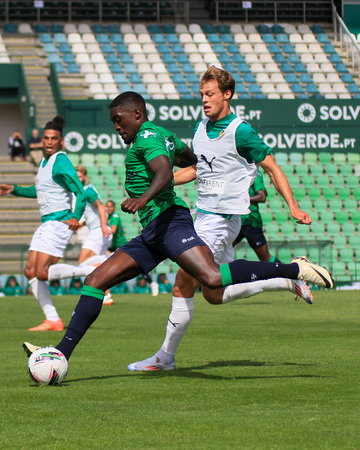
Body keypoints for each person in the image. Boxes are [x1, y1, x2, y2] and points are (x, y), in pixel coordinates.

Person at [23, 92, 333, 366]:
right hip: (152, 232)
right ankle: (60, 354)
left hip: (170, 222)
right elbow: (188, 158)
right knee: (95, 280)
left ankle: (293, 270)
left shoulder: (145, 137)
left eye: (119, 120)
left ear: (136, 114)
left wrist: (143, 198)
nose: (116, 126)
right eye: (112, 121)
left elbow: (163, 170)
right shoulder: (162, 134)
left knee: (211, 278)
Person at [127, 67, 324, 371]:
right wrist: (155, 188)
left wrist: (294, 208)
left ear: (227, 94)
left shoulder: (241, 131)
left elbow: (272, 168)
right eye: (202, 95)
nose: (204, 100)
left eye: (211, 94)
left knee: (181, 285)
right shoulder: (201, 127)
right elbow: (196, 170)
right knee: (214, 295)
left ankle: (164, 358)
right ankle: (285, 279)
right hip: (202, 215)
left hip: (222, 219)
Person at [0, 116, 97, 331]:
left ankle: (92, 269)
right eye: (46, 138)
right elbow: (40, 190)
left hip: (58, 222)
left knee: (42, 272)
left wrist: (76, 215)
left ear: (60, 141)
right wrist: (13, 189)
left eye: (54, 138)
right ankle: (53, 319)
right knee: (29, 272)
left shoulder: (61, 161)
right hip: (47, 224)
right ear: (42, 140)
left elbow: (80, 192)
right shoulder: (45, 162)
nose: (49, 142)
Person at [233, 172, 281, 263]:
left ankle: (285, 273)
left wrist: (241, 199)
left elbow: (262, 196)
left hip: (250, 221)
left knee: (265, 257)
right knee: (221, 252)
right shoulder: (238, 170)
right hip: (236, 219)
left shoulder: (254, 173)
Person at [75, 166, 112, 265]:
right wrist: (82, 224)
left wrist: (103, 225)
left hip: (99, 231)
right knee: (94, 263)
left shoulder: (87, 190)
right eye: (76, 177)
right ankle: (111, 258)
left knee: (82, 263)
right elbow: (93, 213)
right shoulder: (85, 191)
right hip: (99, 230)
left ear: (85, 177)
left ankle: (113, 258)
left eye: (80, 177)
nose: (77, 179)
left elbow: (101, 206)